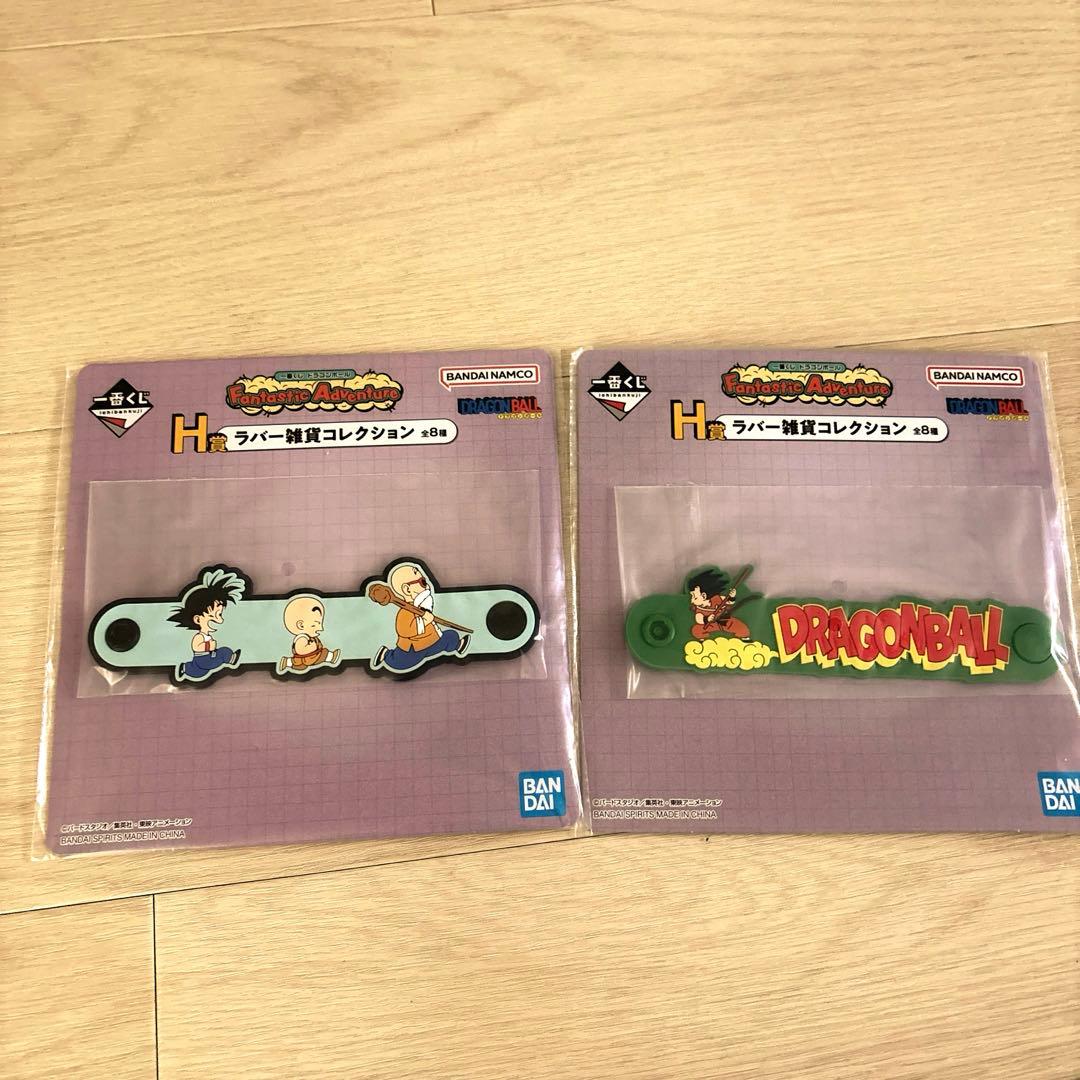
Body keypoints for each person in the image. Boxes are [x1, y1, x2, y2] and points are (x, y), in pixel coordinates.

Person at [374, 563, 470, 673]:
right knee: (401, 663)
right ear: (407, 589)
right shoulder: (405, 612)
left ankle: (458, 645)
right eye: (422, 582)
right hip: (414, 647)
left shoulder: (422, 605)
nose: (427, 585)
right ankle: (386, 655)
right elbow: (404, 630)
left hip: (433, 640)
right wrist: (424, 621)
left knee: (451, 636)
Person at [168, 568, 245, 682]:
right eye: (215, 615)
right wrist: (210, 645)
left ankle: (230, 658)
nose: (220, 620)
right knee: (202, 669)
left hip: (209, 657)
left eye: (220, 614)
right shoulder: (199, 636)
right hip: (202, 659)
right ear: (198, 619)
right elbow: (197, 647)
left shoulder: (206, 634)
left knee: (216, 657)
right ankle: (184, 668)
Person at [278, 595, 341, 674]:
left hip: (310, 656)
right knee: (322, 655)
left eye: (320, 624)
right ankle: (331, 657)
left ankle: (287, 662)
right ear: (301, 625)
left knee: (299, 664)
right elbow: (300, 650)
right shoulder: (301, 638)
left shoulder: (308, 636)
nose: (320, 628)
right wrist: (312, 645)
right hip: (309, 657)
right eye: (314, 625)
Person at [688, 569, 750, 641]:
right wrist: (707, 619)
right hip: (710, 625)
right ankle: (702, 640)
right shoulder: (700, 608)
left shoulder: (717, 599)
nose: (692, 600)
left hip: (725, 621)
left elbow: (729, 602)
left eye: (694, 597)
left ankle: (744, 639)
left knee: (740, 626)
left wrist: (732, 596)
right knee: (696, 629)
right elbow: (698, 618)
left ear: (704, 596)